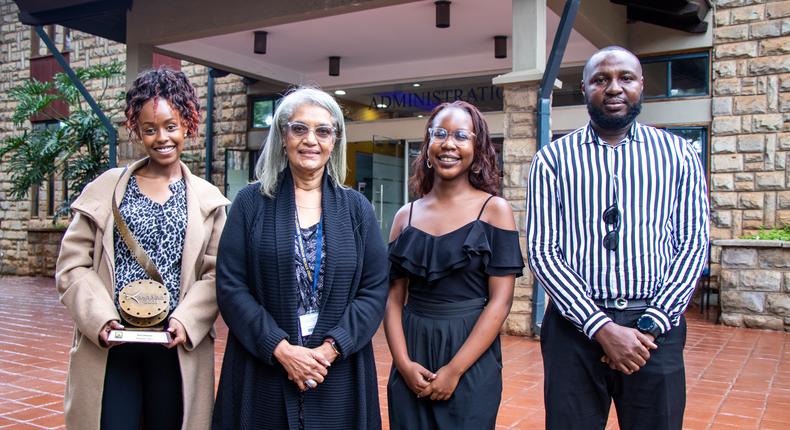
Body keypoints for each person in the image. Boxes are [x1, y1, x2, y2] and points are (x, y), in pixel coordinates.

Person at [526, 46, 709, 429]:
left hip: (656, 331)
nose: (613, 88)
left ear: (641, 84)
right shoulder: (552, 160)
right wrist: (602, 328)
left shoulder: (679, 155)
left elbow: (693, 243)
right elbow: (543, 251)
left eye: (625, 78)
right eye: (601, 79)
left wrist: (646, 327)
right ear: (584, 88)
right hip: (574, 329)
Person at [55, 68, 230, 430]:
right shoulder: (106, 189)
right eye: (149, 129)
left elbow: (217, 273)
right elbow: (73, 265)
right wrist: (100, 319)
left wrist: (187, 319)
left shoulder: (208, 200)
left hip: (175, 347)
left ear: (188, 124)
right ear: (136, 130)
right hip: (111, 345)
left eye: (171, 126)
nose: (161, 138)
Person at [212, 87, 389, 430]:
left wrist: (330, 349)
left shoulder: (357, 210)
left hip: (337, 369)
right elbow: (231, 286)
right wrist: (280, 348)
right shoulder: (250, 203)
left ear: (335, 141)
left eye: (323, 131)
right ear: (282, 136)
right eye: (299, 129)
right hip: (262, 366)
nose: (311, 140)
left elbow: (374, 289)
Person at [384, 101, 524, 429]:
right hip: (413, 347)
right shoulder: (406, 215)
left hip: (469, 353)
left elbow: (500, 302)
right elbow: (392, 299)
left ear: (477, 148)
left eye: (461, 135)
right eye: (440, 134)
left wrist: (454, 370)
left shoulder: (495, 210)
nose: (449, 144)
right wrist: (403, 363)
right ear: (428, 146)